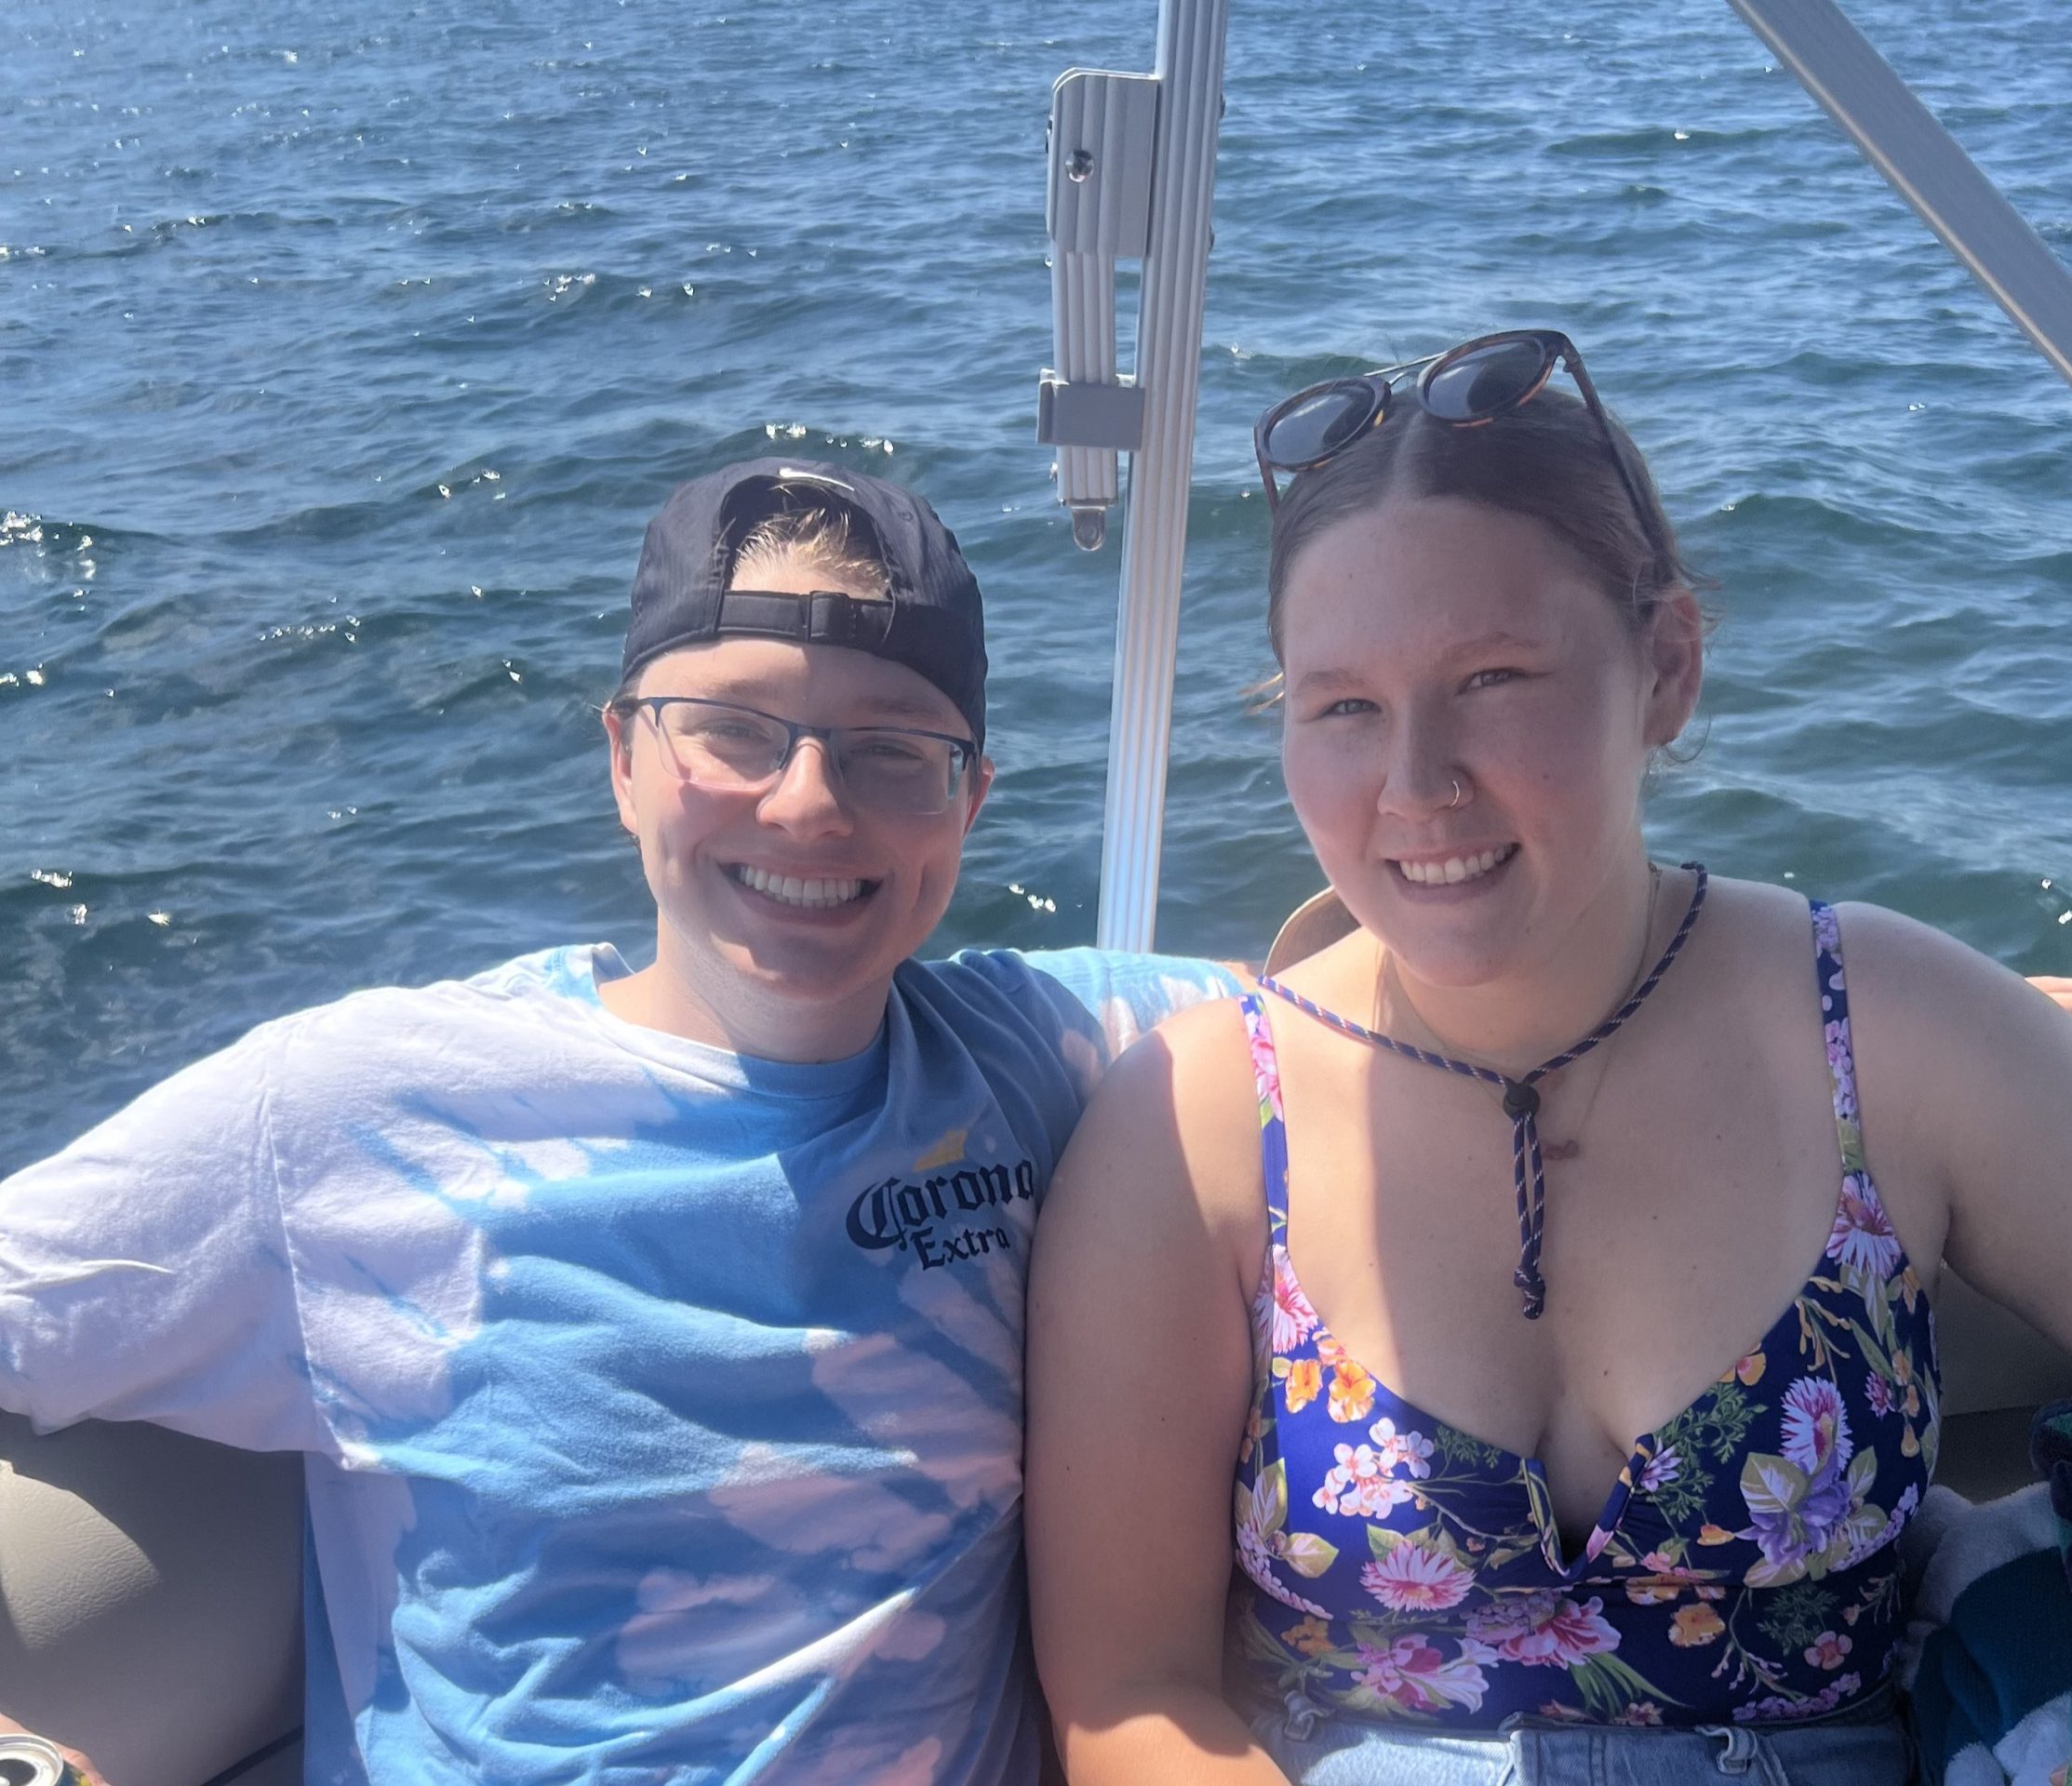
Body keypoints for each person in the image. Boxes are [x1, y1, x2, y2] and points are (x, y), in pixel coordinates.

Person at [1023, 330, 2072, 1786]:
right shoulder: (1203, 1121)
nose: (1415, 785)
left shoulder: (1889, 1037)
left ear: (1665, 668)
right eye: (1342, 704)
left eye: (1492, 679)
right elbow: (1131, 1696)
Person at [0, 458, 1238, 1785]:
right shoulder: (356, 1113)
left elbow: (1347, 999)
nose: (809, 803)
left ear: (970, 802)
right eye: (734, 731)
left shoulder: (1035, 1051)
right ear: (624, 761)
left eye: (892, 752)